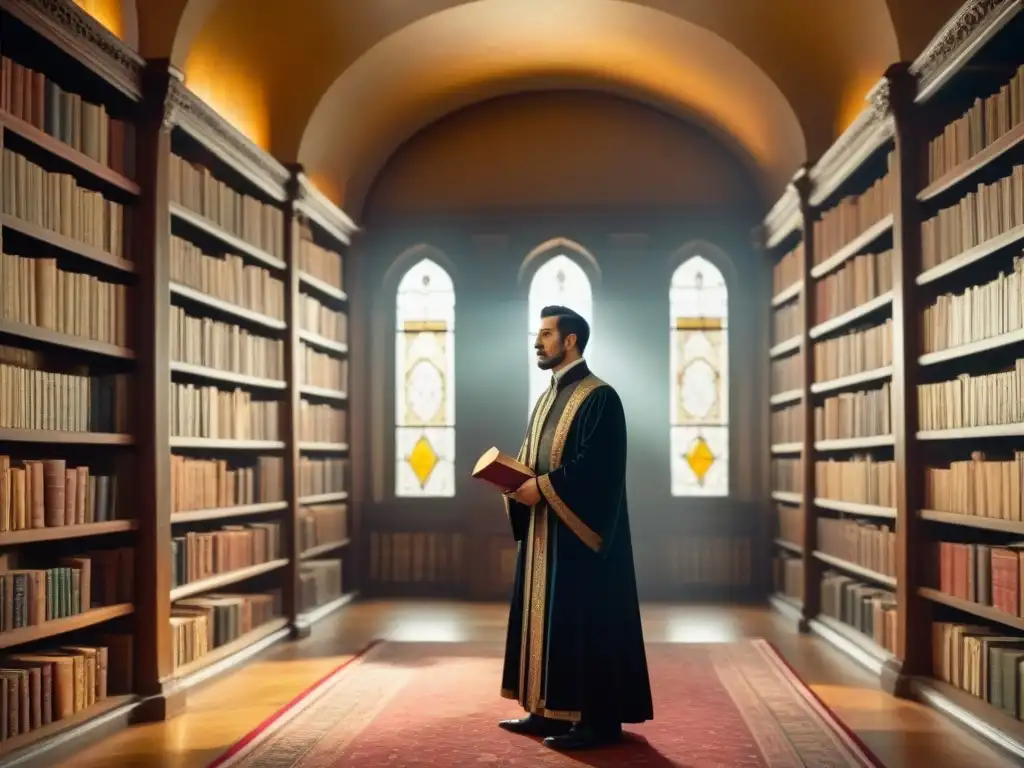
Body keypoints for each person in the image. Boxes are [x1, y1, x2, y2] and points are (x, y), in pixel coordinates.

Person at [498, 305, 653, 750]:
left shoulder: (600, 397)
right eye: (537, 334)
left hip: (580, 540)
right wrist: (512, 480)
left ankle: (596, 722)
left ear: (571, 341)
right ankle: (543, 709)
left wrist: (542, 487)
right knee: (544, 622)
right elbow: (533, 456)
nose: (537, 342)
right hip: (546, 531)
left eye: (546, 334)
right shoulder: (547, 396)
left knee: (583, 624)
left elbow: (598, 471)